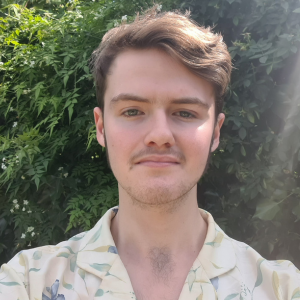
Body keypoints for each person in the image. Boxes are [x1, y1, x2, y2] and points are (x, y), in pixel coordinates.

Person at [0, 6, 299, 300]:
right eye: (132, 111)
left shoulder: (282, 289)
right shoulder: (26, 283)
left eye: (184, 112)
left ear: (216, 132)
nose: (159, 135)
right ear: (101, 127)